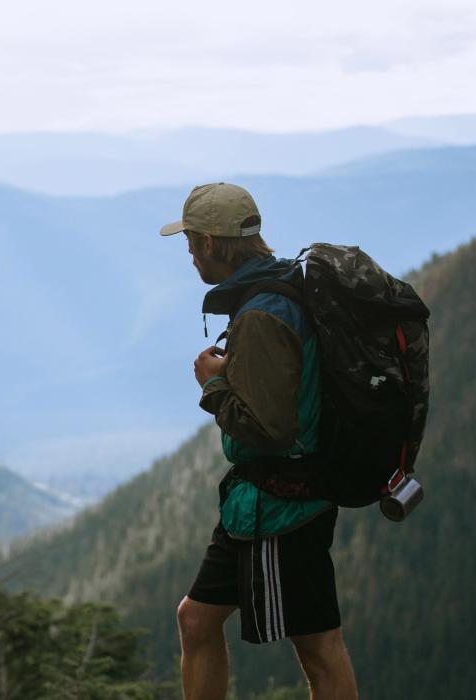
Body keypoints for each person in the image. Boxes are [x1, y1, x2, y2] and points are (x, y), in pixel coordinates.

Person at [159, 183, 358, 700]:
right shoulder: (283, 283)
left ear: (207, 243)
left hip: (281, 506)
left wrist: (213, 386)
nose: (187, 253)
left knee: (318, 648)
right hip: (263, 501)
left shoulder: (263, 314)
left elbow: (270, 430)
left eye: (188, 242)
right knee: (196, 619)